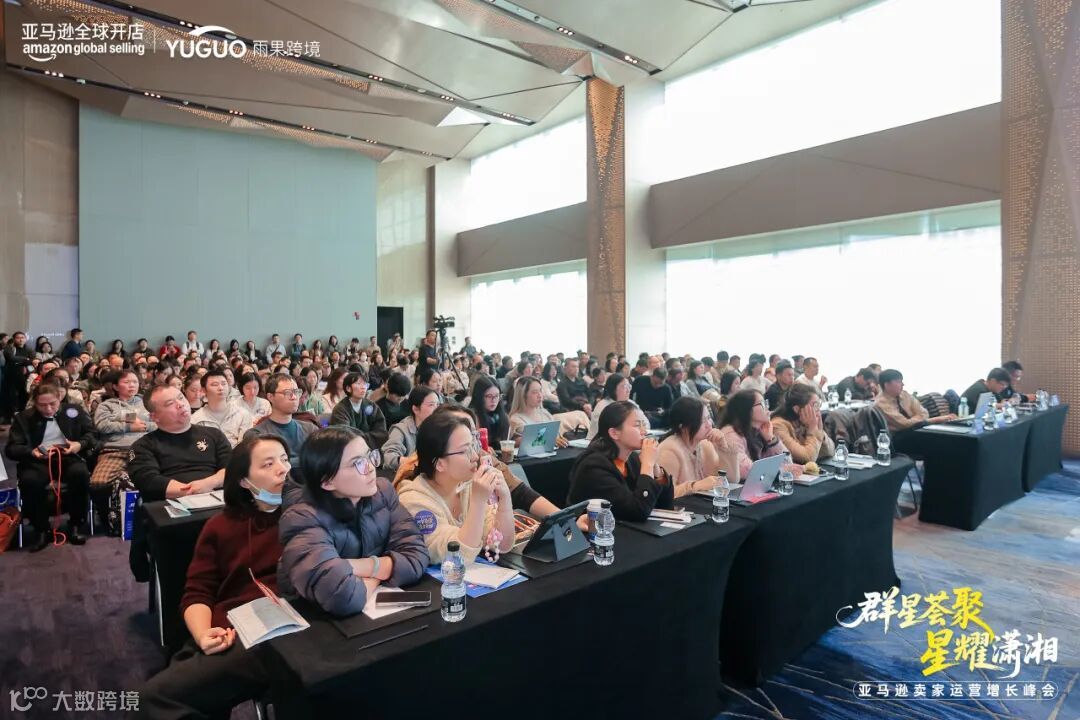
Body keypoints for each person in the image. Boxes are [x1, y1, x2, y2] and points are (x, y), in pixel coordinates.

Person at [139, 435, 290, 719]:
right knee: (159, 697)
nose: (283, 469)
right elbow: (198, 590)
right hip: (238, 629)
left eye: (285, 460)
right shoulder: (221, 526)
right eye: (268, 464)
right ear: (244, 481)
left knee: (162, 697)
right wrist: (202, 634)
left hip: (292, 629)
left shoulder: (304, 515)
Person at [278, 426, 429, 616]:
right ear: (327, 482)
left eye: (369, 456)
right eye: (358, 463)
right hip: (316, 621)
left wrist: (357, 567)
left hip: (369, 613)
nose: (371, 468)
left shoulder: (382, 493)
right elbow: (342, 596)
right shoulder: (302, 518)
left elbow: (417, 555)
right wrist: (381, 572)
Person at [397, 412, 515, 564]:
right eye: (465, 451)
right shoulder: (414, 501)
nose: (475, 456)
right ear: (440, 464)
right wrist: (478, 502)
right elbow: (458, 556)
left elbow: (501, 544)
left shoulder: (468, 486)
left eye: (473, 446)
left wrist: (504, 499)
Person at [5, 383, 96, 551]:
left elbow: (92, 434)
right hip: (37, 460)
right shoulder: (23, 418)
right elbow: (11, 449)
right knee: (30, 480)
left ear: (60, 398)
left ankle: (76, 523)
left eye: (52, 404)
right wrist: (30, 452)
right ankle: (41, 528)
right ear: (35, 402)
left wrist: (79, 444)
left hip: (68, 456)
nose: (48, 409)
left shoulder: (73, 411)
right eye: (42, 405)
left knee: (80, 474)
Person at [567, 401, 673, 520]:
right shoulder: (594, 467)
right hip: (592, 529)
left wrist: (655, 469)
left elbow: (665, 505)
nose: (644, 431)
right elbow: (637, 512)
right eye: (637, 425)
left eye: (644, 425)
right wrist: (647, 465)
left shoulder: (632, 458)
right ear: (614, 433)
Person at [129, 384, 232, 501]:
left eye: (181, 397)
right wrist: (194, 491)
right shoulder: (143, 446)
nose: (180, 404)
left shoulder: (214, 434)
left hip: (218, 497)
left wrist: (209, 484)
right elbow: (148, 481)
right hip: (171, 503)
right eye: (170, 403)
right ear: (154, 417)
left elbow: (231, 467)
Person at [713, 389, 788, 481]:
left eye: (766, 403)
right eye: (762, 404)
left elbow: (787, 461)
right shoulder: (731, 434)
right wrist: (780, 471)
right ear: (746, 409)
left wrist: (771, 439)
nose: (767, 407)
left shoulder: (760, 431)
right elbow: (745, 470)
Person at [657, 396, 724, 498]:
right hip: (679, 507)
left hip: (698, 504)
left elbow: (727, 480)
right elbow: (663, 495)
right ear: (683, 427)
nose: (709, 424)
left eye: (708, 418)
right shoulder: (669, 451)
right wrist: (695, 486)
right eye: (702, 421)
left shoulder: (705, 444)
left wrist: (723, 447)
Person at [246, 375, 318, 466]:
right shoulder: (258, 434)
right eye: (287, 393)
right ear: (271, 397)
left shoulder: (310, 429)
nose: (294, 397)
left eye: (296, 392)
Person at [770, 383, 835, 464]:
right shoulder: (778, 426)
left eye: (819, 405)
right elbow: (807, 458)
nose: (818, 411)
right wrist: (812, 431)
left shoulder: (805, 422)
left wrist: (819, 431)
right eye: (815, 405)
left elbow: (830, 452)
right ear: (797, 409)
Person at [874, 369, 956, 433]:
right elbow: (904, 424)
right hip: (898, 437)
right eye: (898, 382)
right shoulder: (881, 403)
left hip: (916, 430)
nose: (903, 384)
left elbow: (924, 413)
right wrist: (935, 419)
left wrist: (914, 420)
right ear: (887, 384)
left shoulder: (904, 395)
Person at [382, 387, 440, 471]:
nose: (437, 409)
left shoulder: (438, 428)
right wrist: (414, 462)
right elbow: (389, 457)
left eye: (437, 405)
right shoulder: (401, 430)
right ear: (415, 409)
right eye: (431, 405)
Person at [192, 369, 254, 447]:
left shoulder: (243, 414)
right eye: (215, 385)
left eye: (224, 384)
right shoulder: (196, 419)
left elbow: (246, 446)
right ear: (204, 390)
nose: (221, 388)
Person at [330, 372, 389, 449]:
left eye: (365, 384)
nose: (363, 387)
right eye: (358, 384)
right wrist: (369, 438)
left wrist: (362, 439)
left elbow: (381, 432)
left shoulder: (371, 405)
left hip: (370, 449)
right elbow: (344, 435)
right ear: (348, 388)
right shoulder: (340, 409)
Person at [508, 377, 574, 443]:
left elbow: (556, 436)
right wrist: (551, 441)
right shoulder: (516, 420)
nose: (540, 395)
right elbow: (526, 442)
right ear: (523, 395)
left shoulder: (545, 414)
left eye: (540, 391)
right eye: (534, 392)